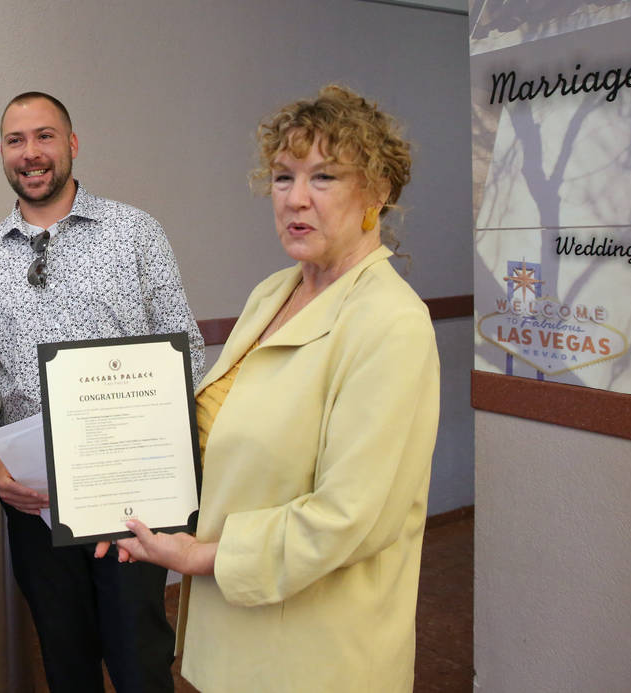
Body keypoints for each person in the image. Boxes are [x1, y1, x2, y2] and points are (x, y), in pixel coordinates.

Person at [98, 85, 441, 692]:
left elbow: (348, 518)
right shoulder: (274, 292)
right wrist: (129, 502)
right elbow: (224, 440)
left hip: (315, 656)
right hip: (235, 637)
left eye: (325, 177)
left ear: (378, 192)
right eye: (283, 178)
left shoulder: (391, 322)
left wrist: (200, 558)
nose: (296, 199)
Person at [0, 91, 205, 693]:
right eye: (16, 140)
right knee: (65, 658)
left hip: (133, 494)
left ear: (72, 144)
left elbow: (186, 351)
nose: (31, 153)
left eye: (45, 136)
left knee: (139, 653)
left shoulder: (134, 232)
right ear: (3, 153)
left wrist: (154, 458)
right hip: (35, 500)